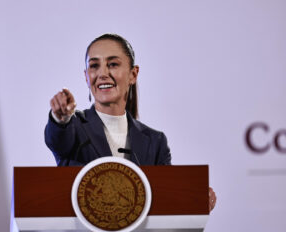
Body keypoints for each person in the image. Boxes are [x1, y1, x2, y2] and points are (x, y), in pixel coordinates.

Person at [44, 34, 216, 211]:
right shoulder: (74, 127)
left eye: (113, 64)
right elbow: (57, 139)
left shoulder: (155, 141)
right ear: (87, 76)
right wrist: (60, 118)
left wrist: (194, 199)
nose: (102, 73)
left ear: (133, 74)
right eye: (94, 66)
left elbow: (165, 199)